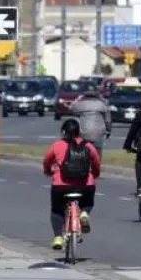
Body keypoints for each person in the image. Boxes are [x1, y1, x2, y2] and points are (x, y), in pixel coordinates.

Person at [43, 118, 101, 250]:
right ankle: (84, 213)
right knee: (87, 202)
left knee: (57, 210)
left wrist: (48, 171)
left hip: (60, 185)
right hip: (85, 185)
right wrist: (95, 175)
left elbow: (47, 161)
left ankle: (58, 236)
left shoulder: (57, 145)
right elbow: (96, 163)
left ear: (63, 132)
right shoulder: (88, 146)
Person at [69, 89, 112, 154]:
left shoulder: (81, 104)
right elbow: (108, 120)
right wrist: (108, 131)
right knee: (97, 153)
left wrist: (77, 100)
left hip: (83, 135)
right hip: (98, 134)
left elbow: (71, 109)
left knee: (82, 154)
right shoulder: (102, 104)